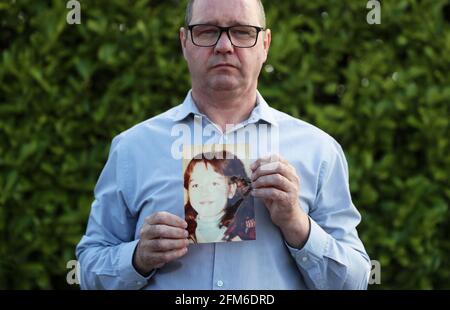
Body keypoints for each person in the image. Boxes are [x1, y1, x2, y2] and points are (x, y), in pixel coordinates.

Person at [76, 0, 371, 289]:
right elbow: (88, 269)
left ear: (265, 44)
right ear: (184, 42)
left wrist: (297, 224)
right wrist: (137, 258)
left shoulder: (319, 151)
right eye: (206, 31)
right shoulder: (132, 149)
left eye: (242, 31)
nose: (224, 46)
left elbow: (354, 282)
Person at [184, 150, 255, 243]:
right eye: (196, 185)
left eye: (214, 183)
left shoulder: (246, 232)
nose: (204, 192)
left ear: (231, 190)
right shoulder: (183, 230)